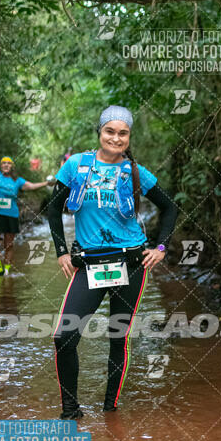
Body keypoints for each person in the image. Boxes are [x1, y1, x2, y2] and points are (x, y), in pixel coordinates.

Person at [48, 105, 178, 419]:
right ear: (100, 132)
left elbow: (170, 208)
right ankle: (70, 412)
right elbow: (53, 209)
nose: (115, 138)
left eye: (122, 133)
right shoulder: (77, 165)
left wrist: (160, 247)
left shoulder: (135, 172)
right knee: (64, 336)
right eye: (110, 131)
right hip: (89, 265)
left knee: (117, 336)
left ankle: (110, 411)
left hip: (131, 264)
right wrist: (61, 252)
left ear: (129, 137)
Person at [0, 130, 51, 276]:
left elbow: (31, 186)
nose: (6, 165)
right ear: (1, 166)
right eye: (4, 163)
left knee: (8, 245)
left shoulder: (17, 181)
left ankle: (6, 270)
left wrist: (46, 183)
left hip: (11, 216)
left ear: (12, 166)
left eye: (9, 163)